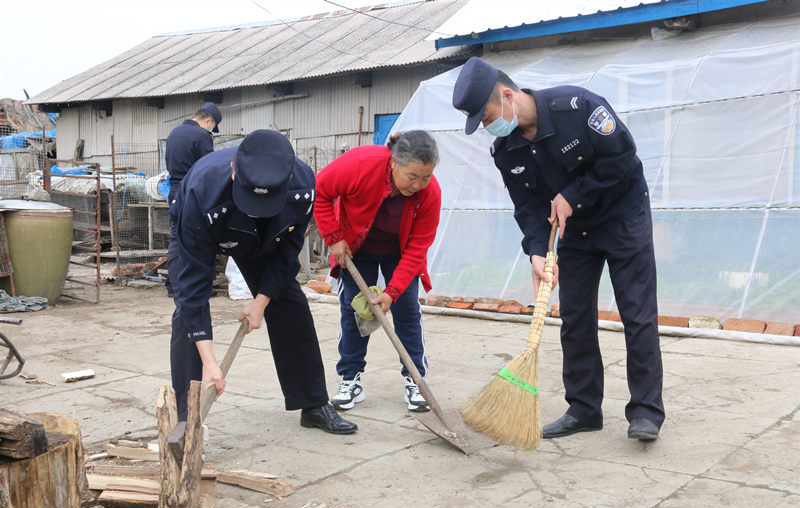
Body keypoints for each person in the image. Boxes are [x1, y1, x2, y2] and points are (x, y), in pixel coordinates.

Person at [452, 57, 665, 440]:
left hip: (622, 217)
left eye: (485, 117)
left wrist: (572, 193)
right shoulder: (507, 149)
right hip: (573, 230)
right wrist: (536, 252)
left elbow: (622, 157)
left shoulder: (579, 107)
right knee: (576, 317)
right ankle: (584, 409)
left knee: (637, 313)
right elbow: (528, 206)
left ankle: (646, 412)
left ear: (506, 95)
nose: (487, 128)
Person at [169, 129, 357, 435]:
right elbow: (193, 289)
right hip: (211, 224)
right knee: (187, 317)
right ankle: (186, 419)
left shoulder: (303, 186)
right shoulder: (201, 192)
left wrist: (261, 301)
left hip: (265, 236)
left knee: (290, 303)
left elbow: (286, 256)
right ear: (233, 170)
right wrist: (210, 362)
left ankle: (312, 403)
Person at [314, 131, 442, 412]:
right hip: (357, 248)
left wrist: (392, 292)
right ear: (395, 162)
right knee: (354, 311)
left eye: (426, 177)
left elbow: (418, 246)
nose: (419, 185)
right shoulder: (360, 163)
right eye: (412, 176)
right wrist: (334, 237)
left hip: (401, 251)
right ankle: (350, 378)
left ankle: (415, 379)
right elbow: (320, 192)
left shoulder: (430, 193)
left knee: (407, 311)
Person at [164, 102, 222, 296]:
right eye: (212, 127)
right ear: (208, 121)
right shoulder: (202, 136)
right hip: (193, 191)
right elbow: (208, 167)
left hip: (173, 190)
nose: (211, 131)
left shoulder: (174, 133)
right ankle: (198, 288)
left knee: (176, 237)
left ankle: (174, 286)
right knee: (198, 239)